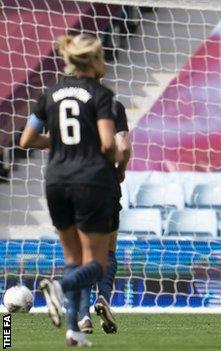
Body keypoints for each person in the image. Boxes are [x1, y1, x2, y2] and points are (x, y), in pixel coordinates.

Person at [20, 34, 117, 347]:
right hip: (90, 180)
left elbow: (26, 140)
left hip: (56, 181)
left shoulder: (49, 93)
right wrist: (117, 156)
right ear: (91, 62)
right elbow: (106, 143)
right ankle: (61, 289)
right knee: (95, 264)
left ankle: (73, 329)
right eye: (102, 57)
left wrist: (58, 141)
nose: (105, 62)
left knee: (73, 258)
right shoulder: (101, 95)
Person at [77, 100, 130, 335]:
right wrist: (121, 167)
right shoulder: (113, 106)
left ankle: (83, 316)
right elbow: (124, 147)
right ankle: (103, 297)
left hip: (76, 183)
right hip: (106, 183)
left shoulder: (62, 105)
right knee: (108, 248)